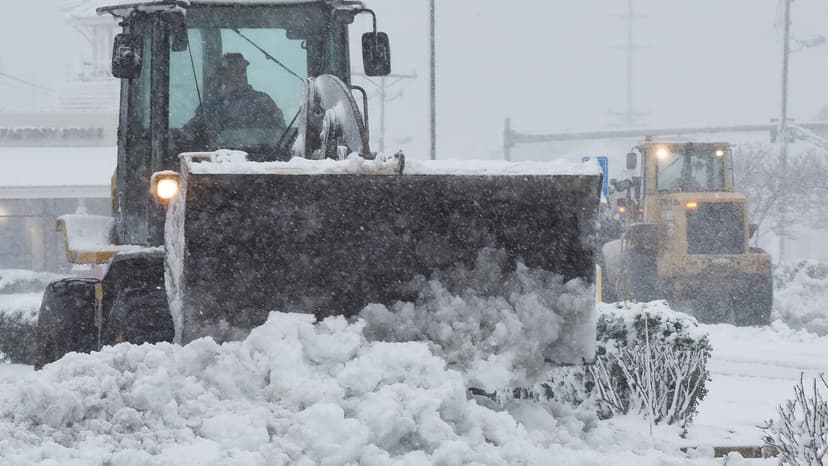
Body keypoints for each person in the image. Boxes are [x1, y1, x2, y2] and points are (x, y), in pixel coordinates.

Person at [185, 52, 286, 138]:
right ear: (223, 75)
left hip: (260, 158)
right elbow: (190, 133)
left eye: (243, 71)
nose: (241, 76)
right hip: (216, 158)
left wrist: (278, 118)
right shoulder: (210, 106)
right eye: (235, 71)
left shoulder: (262, 101)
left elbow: (278, 135)